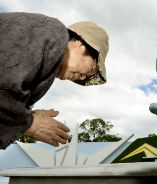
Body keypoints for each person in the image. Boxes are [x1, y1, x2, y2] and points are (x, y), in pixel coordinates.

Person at [0, 12, 109, 149]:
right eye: (92, 69)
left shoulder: (42, 61)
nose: (83, 77)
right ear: (82, 45)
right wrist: (30, 123)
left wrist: (26, 116)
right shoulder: (52, 32)